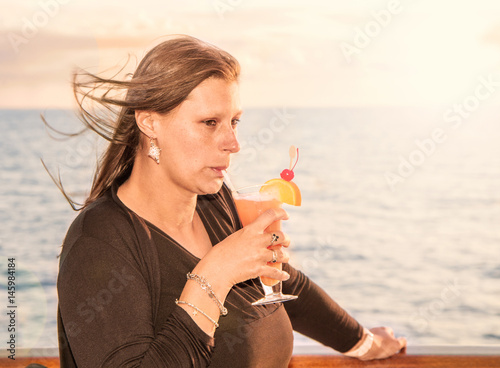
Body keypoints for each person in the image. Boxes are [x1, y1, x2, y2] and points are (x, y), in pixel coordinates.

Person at [56, 34, 406, 368]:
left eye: (234, 122)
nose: (233, 143)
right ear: (150, 123)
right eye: (210, 122)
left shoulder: (215, 202)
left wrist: (363, 343)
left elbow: (282, 282)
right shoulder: (99, 241)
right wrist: (215, 273)